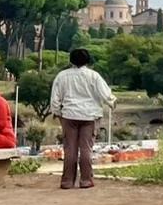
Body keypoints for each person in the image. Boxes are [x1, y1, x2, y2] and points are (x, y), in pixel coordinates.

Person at [49, 48, 116, 190]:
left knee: (70, 149)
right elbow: (106, 95)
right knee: (86, 148)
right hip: (90, 116)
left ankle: (67, 181)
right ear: (88, 61)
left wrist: (57, 112)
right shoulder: (94, 76)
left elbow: (55, 98)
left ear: (71, 60)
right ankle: (86, 180)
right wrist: (112, 103)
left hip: (69, 115)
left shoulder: (62, 76)